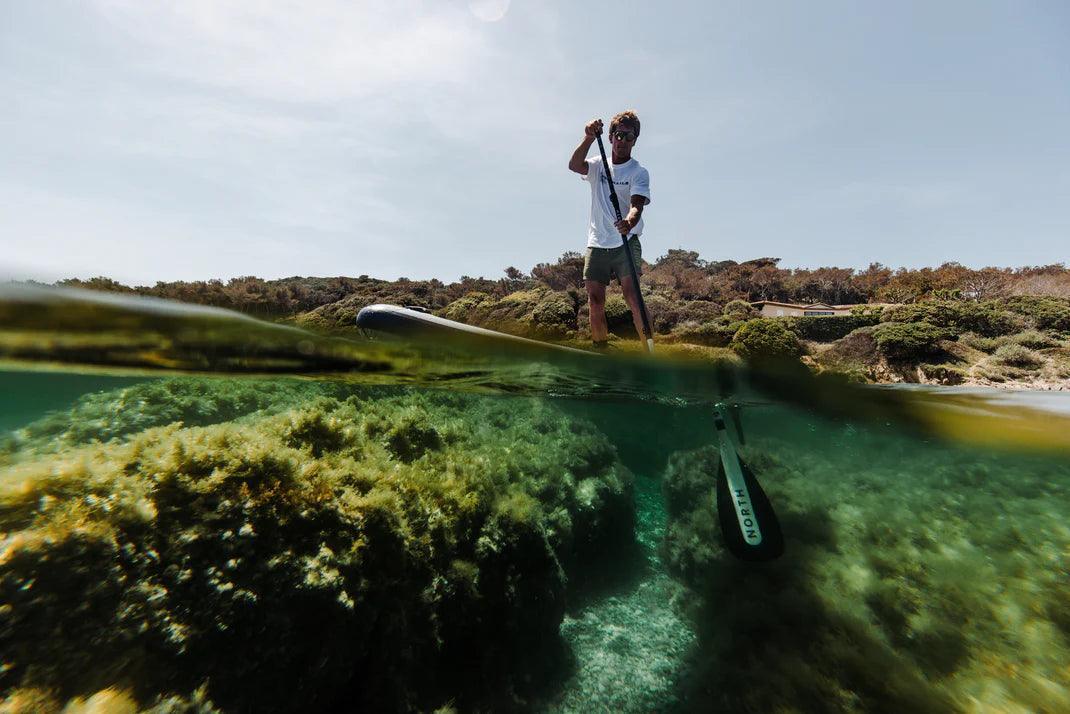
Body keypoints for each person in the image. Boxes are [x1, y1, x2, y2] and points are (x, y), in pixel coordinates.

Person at [567, 110, 651, 348]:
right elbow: (574, 165)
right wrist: (588, 137)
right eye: (618, 135)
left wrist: (629, 222)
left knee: (632, 297)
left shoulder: (638, 172)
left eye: (628, 136)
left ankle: (649, 351)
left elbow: (637, 205)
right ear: (611, 136)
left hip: (626, 240)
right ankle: (601, 351)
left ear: (635, 140)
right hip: (597, 241)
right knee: (595, 299)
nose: (622, 141)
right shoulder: (597, 165)